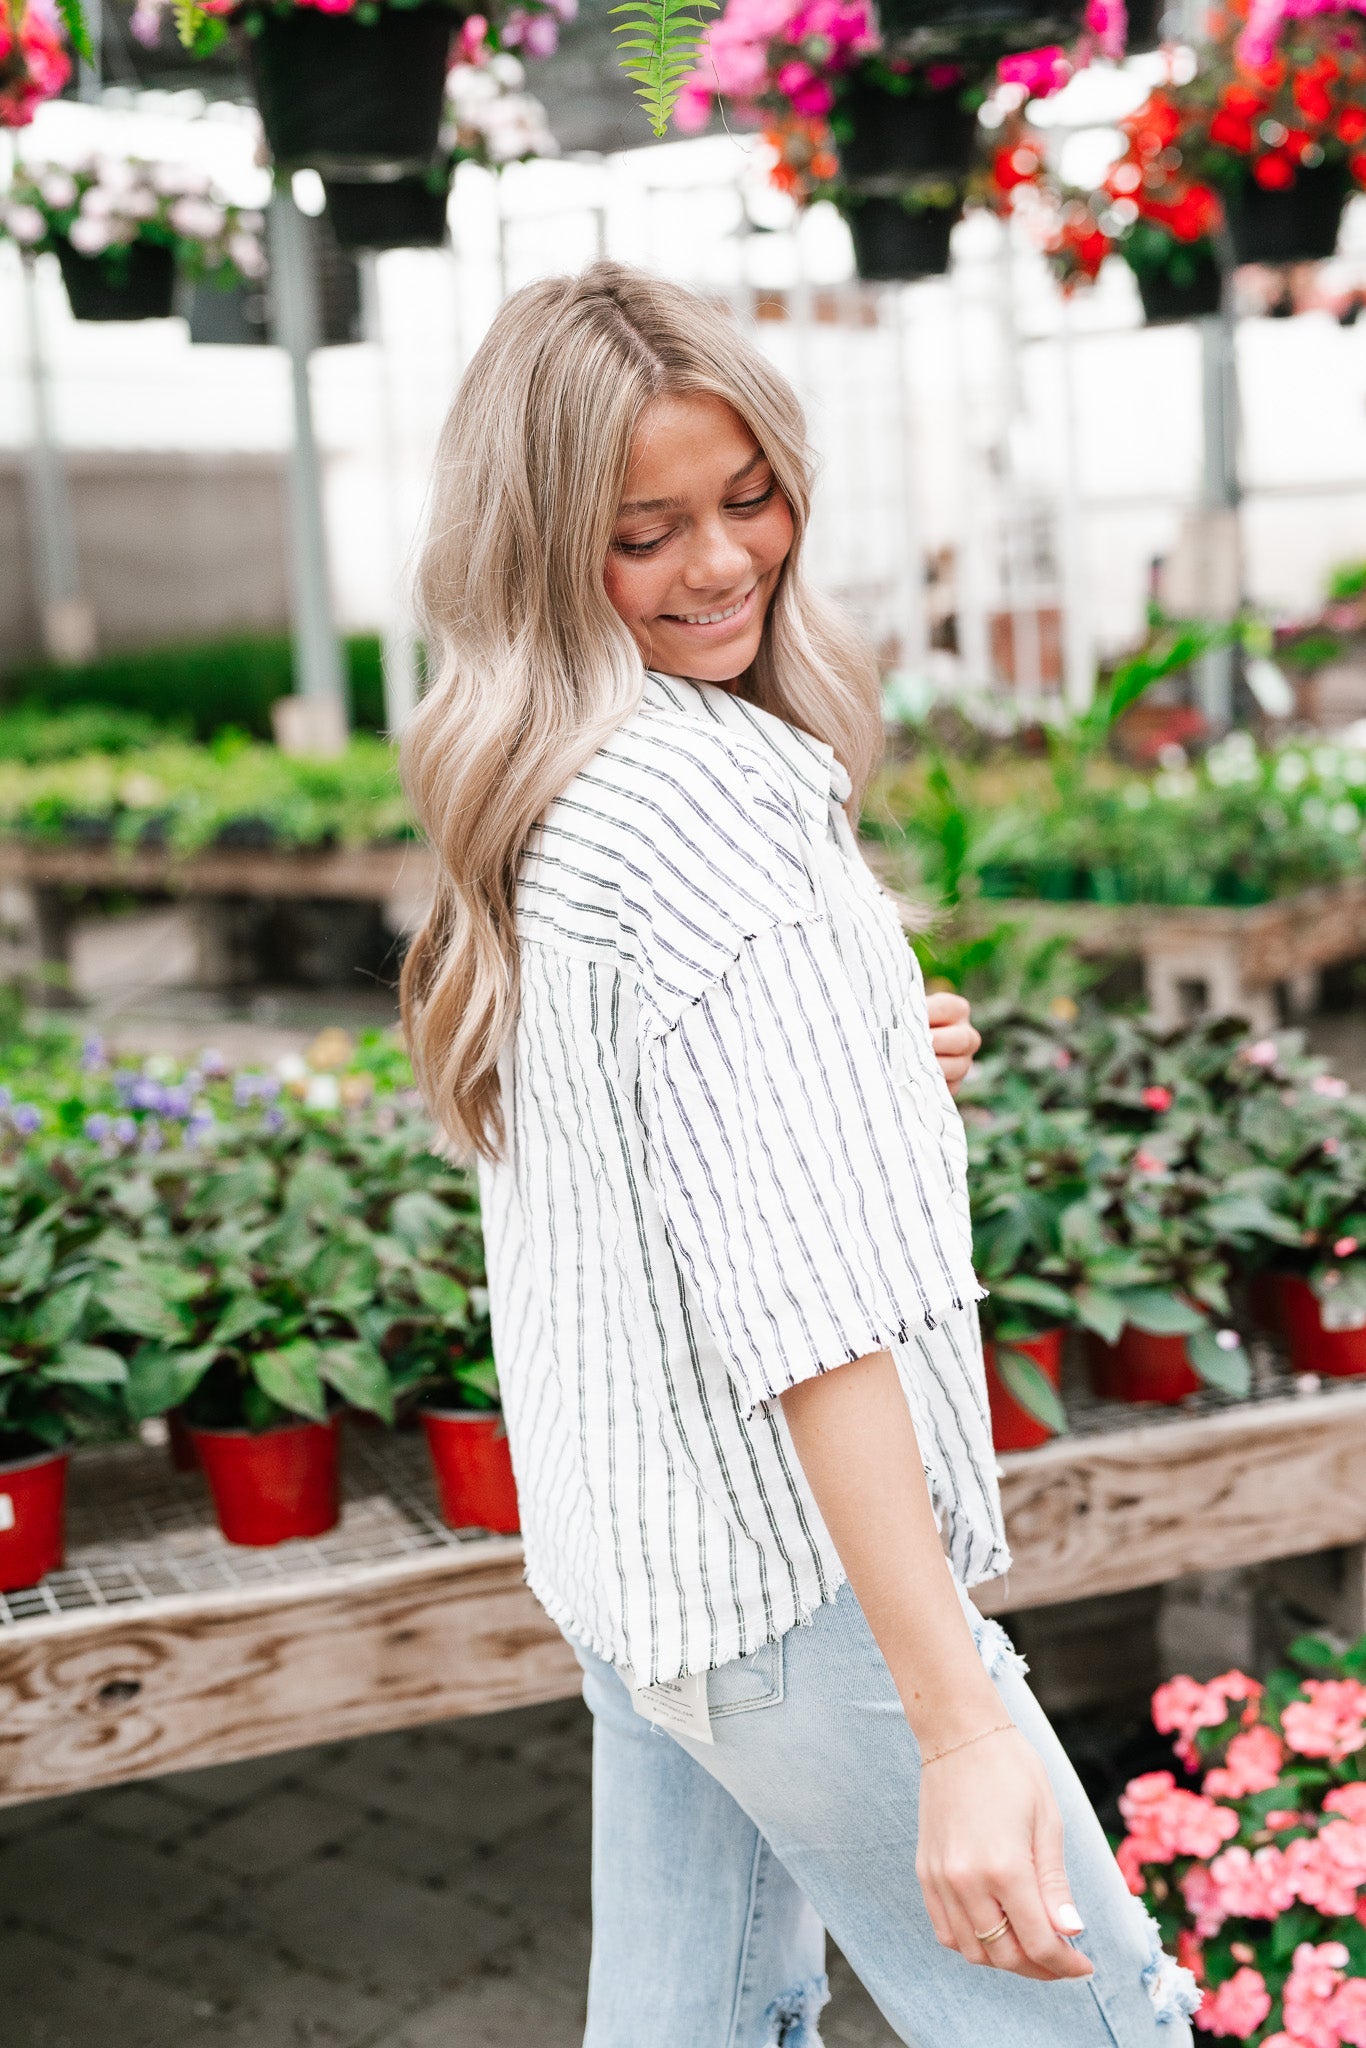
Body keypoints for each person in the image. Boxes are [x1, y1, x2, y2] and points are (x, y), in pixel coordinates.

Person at [400, 262, 1197, 2048]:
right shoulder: (715, 817)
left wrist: (860, 1075)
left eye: (747, 498)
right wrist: (959, 1725)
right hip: (788, 1584)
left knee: (690, 2026)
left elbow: (639, 1145)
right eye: (643, 531)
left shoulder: (557, 779)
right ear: (534, 551)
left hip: (639, 1557)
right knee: (1100, 2031)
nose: (719, 565)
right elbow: (816, 1312)